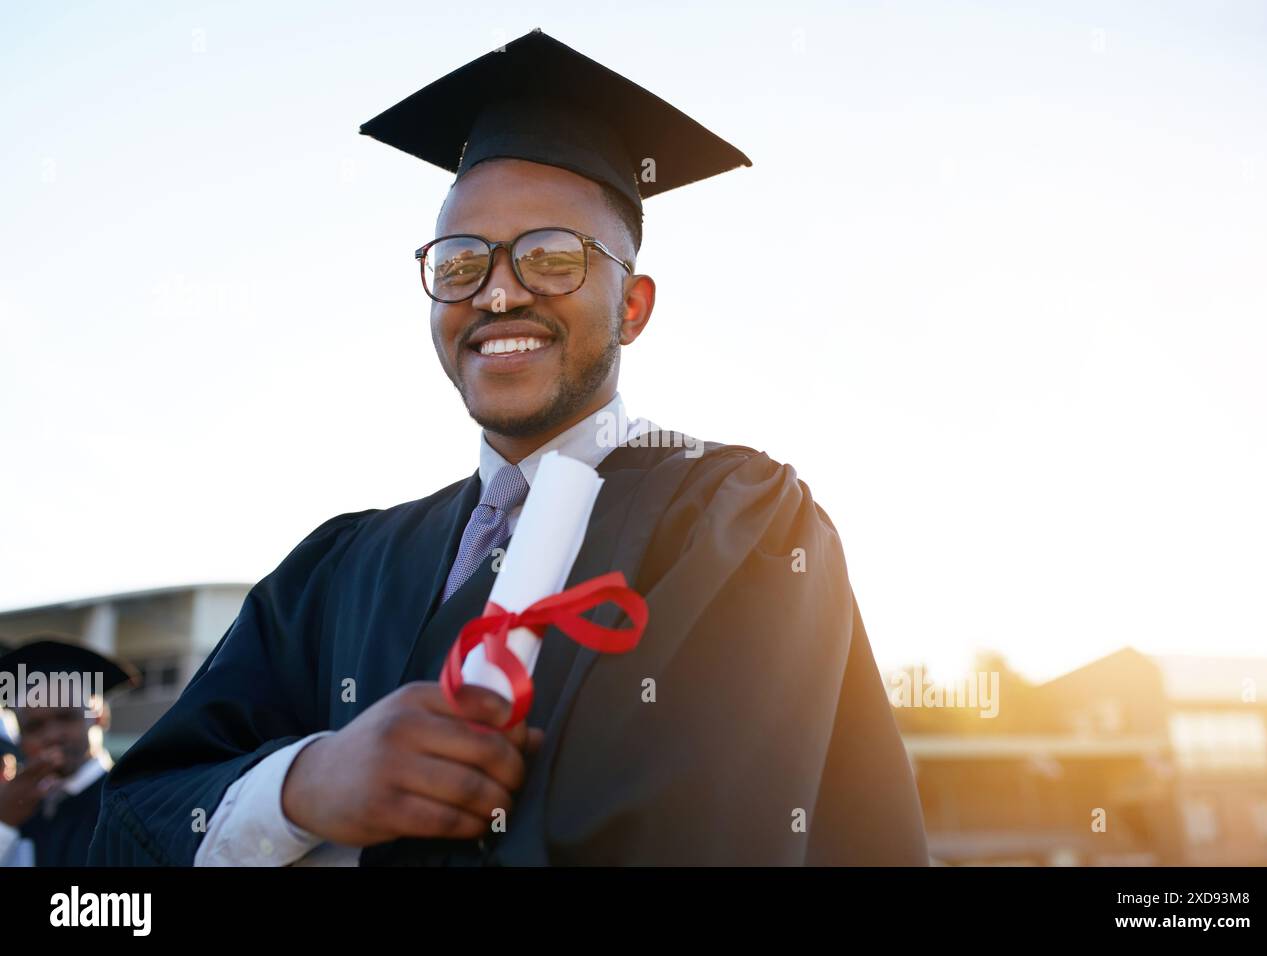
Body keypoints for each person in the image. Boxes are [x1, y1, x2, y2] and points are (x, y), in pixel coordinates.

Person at [89, 29, 928, 866]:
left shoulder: (735, 525)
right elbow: (134, 819)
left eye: (552, 258)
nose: (498, 293)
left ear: (633, 306)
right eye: (460, 264)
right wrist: (307, 786)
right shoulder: (340, 569)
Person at [0, 637, 138, 866]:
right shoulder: (21, 812)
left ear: (98, 716)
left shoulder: (130, 803)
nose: (52, 735)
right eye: (34, 727)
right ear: (19, 738)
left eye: (66, 717)